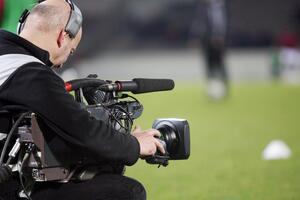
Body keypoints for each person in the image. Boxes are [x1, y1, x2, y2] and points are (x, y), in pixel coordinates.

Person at [0, 0, 164, 199]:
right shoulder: (30, 72)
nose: (62, 64)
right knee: (125, 191)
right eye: (71, 51)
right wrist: (134, 144)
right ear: (62, 36)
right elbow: (82, 129)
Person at [190, 0, 229, 100]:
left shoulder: (223, 7)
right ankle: (211, 91)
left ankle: (224, 90)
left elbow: (224, 24)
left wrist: (221, 37)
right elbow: (199, 24)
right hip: (207, 43)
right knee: (209, 67)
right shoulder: (203, 9)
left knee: (221, 67)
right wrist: (196, 38)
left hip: (221, 43)